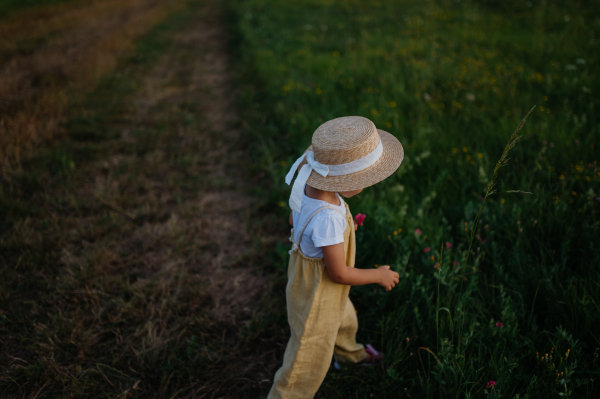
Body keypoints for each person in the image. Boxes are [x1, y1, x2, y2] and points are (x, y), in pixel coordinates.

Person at [268, 116, 405, 399]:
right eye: (363, 180)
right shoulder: (328, 217)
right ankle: (286, 394)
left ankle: (348, 353)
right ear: (343, 179)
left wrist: (335, 233)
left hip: (311, 280)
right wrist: (378, 274)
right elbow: (339, 274)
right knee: (307, 351)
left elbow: (296, 219)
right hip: (320, 289)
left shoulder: (310, 183)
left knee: (344, 317)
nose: (365, 186)